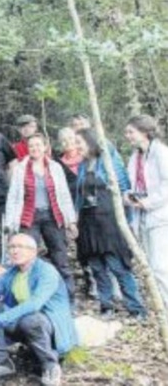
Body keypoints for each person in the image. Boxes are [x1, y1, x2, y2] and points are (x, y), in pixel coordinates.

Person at [0, 233, 78, 386]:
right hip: (23, 323)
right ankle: (0, 362)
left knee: (31, 320)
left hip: (51, 326)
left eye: (21, 247)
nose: (15, 251)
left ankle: (50, 366)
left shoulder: (46, 271)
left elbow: (34, 304)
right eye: (12, 247)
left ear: (33, 252)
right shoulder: (11, 273)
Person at [75, 128, 147, 318]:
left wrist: (128, 219)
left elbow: (123, 188)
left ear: (90, 142)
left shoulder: (107, 160)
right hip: (88, 223)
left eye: (79, 143)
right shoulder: (82, 166)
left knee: (118, 267)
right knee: (97, 268)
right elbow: (79, 196)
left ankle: (136, 308)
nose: (76, 147)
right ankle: (106, 306)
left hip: (110, 222)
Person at [4, 134, 77, 299]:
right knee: (28, 258)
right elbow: (14, 197)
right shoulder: (21, 169)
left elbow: (64, 194)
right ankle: (32, 297)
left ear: (45, 147)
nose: (35, 149)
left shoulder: (55, 167)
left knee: (60, 257)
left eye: (38, 145)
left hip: (53, 217)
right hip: (29, 218)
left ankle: (68, 296)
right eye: (31, 146)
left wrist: (70, 221)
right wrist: (11, 224)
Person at [125, 114, 168, 308]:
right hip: (141, 216)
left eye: (131, 132)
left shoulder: (160, 152)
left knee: (160, 265)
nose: (128, 136)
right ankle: (161, 305)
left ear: (144, 132)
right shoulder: (136, 156)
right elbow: (132, 184)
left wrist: (148, 202)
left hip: (160, 216)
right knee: (151, 265)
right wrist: (129, 196)